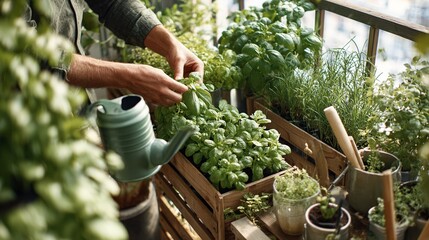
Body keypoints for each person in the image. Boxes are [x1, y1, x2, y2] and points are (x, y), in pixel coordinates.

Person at [29, 0, 204, 106]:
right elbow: (27, 54)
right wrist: (129, 77)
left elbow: (112, 3)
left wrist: (169, 44)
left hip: (78, 105)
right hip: (26, 123)